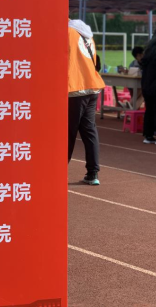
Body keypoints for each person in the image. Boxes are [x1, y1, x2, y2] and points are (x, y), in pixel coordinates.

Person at [68, 19, 105, 186]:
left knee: (68, 132)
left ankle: (59, 172)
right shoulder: (87, 34)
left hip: (75, 87)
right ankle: (93, 172)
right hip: (92, 86)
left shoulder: (67, 33)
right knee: (89, 131)